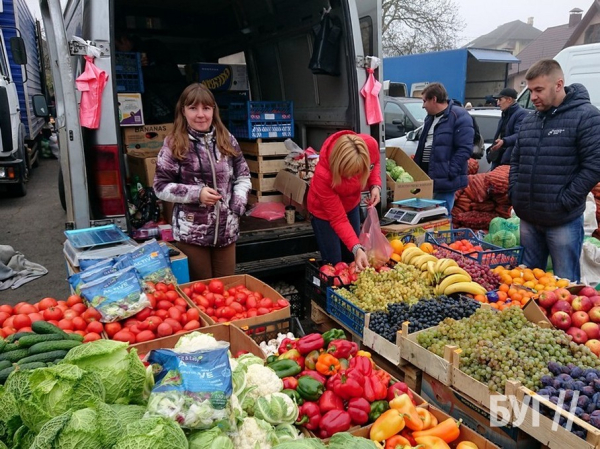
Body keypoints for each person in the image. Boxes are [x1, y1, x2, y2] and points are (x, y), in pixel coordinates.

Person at [509, 59, 600, 282]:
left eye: (539, 90)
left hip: (563, 221)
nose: (533, 97)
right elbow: (516, 161)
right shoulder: (531, 121)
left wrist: (566, 200)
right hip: (529, 218)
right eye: (530, 90)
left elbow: (594, 165)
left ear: (559, 85)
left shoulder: (587, 116)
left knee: (565, 285)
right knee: (527, 283)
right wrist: (515, 193)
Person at [153, 83, 251, 280]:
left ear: (213, 111)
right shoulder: (174, 143)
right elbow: (160, 186)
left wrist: (236, 206)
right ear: (183, 111)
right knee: (201, 292)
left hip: (226, 232)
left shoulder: (227, 140)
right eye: (193, 108)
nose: (200, 115)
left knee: (226, 290)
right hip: (193, 234)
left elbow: (243, 176)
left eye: (206, 108)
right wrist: (197, 194)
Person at [307, 131, 381, 271]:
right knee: (334, 264)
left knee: (351, 257)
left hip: (351, 204)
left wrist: (375, 185)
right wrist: (357, 247)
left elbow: (375, 162)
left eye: (358, 171)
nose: (355, 177)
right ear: (338, 168)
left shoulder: (369, 144)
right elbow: (338, 219)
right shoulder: (323, 177)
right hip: (324, 214)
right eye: (350, 173)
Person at [414, 83, 474, 212]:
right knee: (428, 217)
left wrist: (450, 171)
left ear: (434, 99)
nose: (423, 105)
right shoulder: (429, 118)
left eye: (425, 101)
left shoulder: (459, 116)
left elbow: (465, 149)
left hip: (444, 179)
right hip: (426, 178)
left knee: (441, 217)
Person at [486, 87, 528, 170]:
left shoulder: (521, 114)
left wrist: (504, 141)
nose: (498, 103)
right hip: (498, 158)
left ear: (509, 99)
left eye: (500, 100)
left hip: (508, 161)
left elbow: (520, 135)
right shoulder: (505, 114)